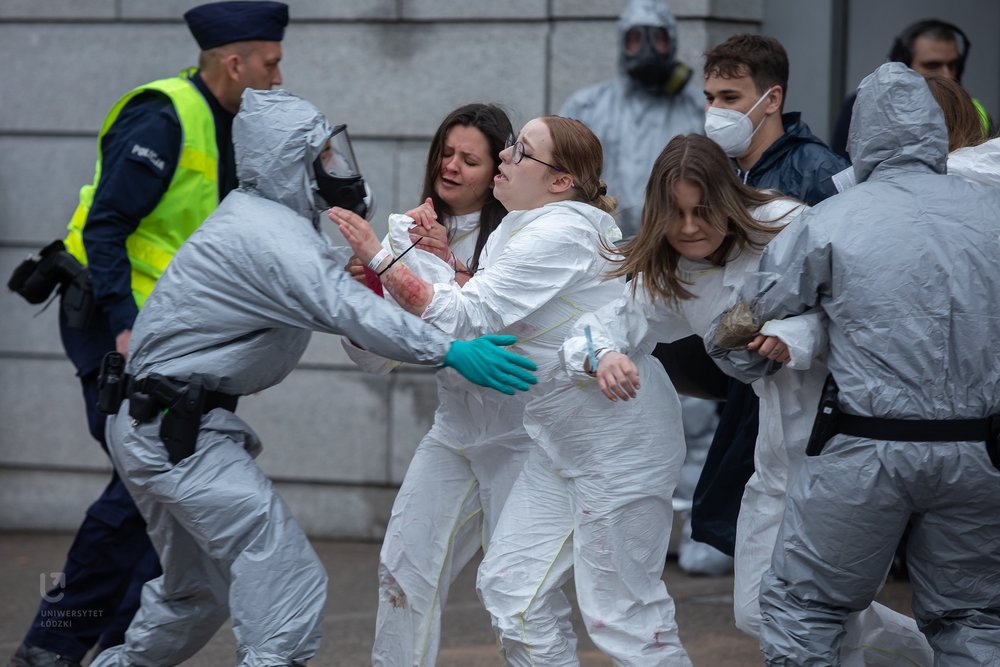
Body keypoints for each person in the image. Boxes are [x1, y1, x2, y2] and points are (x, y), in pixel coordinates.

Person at [89, 89, 537, 667]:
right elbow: (350, 315)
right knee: (288, 590)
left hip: (167, 425)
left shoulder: (270, 225)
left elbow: (352, 300)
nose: (338, 166)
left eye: (469, 159)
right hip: (173, 430)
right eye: (325, 155)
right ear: (289, 161)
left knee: (194, 596)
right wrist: (447, 346)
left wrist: (395, 278)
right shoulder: (273, 235)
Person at [334, 116, 691, 664]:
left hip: (609, 445)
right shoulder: (521, 226)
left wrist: (381, 258)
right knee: (509, 595)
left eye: (516, 152)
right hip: (551, 441)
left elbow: (468, 315)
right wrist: (436, 265)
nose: (503, 158)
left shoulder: (562, 230)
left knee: (622, 617)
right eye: (505, 149)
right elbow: (472, 303)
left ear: (561, 181)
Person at [7, 3, 288, 666]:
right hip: (114, 322)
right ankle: (53, 645)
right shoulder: (163, 117)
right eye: (271, 63)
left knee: (172, 490)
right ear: (235, 63)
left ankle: (120, 647)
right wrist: (126, 326)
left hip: (182, 337)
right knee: (149, 482)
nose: (279, 76)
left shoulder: (242, 124)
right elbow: (105, 227)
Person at [708, 62, 1000, 666]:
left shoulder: (832, 218)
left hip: (867, 452)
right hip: (981, 453)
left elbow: (746, 322)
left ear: (861, 137)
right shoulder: (991, 212)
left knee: (805, 610)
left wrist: (738, 353)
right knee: (974, 617)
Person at [340, 103, 546, 667]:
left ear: (499, 169)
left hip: (525, 438)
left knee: (518, 598)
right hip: (455, 431)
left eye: (469, 160)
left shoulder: (529, 230)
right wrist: (367, 297)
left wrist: (433, 265)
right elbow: (376, 361)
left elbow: (488, 321)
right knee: (402, 570)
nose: (451, 167)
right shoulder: (404, 231)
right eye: (446, 154)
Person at [558, 0, 725, 577]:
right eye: (635, 40)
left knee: (694, 404)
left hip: (680, 264)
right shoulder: (589, 106)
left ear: (674, 42)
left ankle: (700, 527)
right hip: (609, 268)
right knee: (611, 389)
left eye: (657, 38)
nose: (647, 52)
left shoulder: (694, 106)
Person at [691, 32, 849, 559]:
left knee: (799, 539)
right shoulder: (719, 173)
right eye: (709, 98)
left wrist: (796, 335)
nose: (715, 112)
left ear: (771, 98)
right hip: (747, 375)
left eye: (730, 98)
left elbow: (849, 284)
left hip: (802, 378)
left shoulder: (819, 173)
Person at [831, 18, 992, 160]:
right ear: (902, 65)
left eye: (952, 65)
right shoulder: (869, 107)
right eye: (932, 65)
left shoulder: (973, 109)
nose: (947, 75)